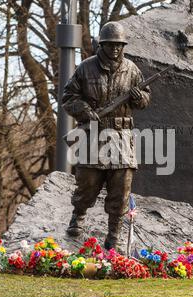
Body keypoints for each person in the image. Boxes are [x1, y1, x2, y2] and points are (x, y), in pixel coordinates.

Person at [62, 21, 151, 251]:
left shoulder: (132, 69)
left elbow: (145, 99)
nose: (114, 49)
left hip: (122, 136)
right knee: (88, 183)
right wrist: (86, 111)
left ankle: (114, 236)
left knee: (121, 188)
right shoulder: (85, 68)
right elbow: (68, 97)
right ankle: (78, 217)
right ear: (101, 44)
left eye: (119, 45)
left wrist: (137, 97)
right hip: (94, 134)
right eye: (110, 45)